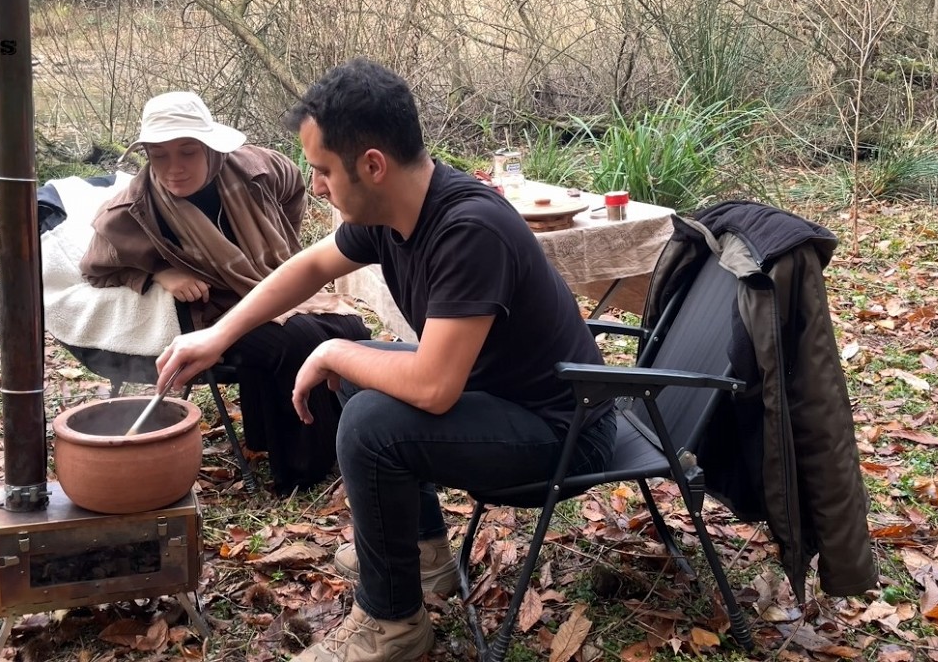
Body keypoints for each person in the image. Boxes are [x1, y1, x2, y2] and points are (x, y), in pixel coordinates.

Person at [155, 60, 618, 661]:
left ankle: (392, 625)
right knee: (360, 379)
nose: (315, 186)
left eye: (322, 171)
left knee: (371, 420)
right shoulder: (394, 210)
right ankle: (424, 556)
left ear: (372, 165)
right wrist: (218, 334)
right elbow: (311, 266)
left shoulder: (468, 229)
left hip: (564, 431)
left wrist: (331, 347)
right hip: (503, 402)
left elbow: (432, 389)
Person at [80, 91, 370, 494]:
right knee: (297, 341)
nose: (174, 169)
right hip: (216, 307)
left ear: (210, 148)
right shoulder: (133, 210)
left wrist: (278, 246)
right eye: (159, 156)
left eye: (187, 152)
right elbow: (97, 265)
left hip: (276, 281)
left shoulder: (257, 168)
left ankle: (354, 441)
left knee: (350, 328)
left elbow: (293, 188)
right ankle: (306, 471)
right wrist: (162, 273)